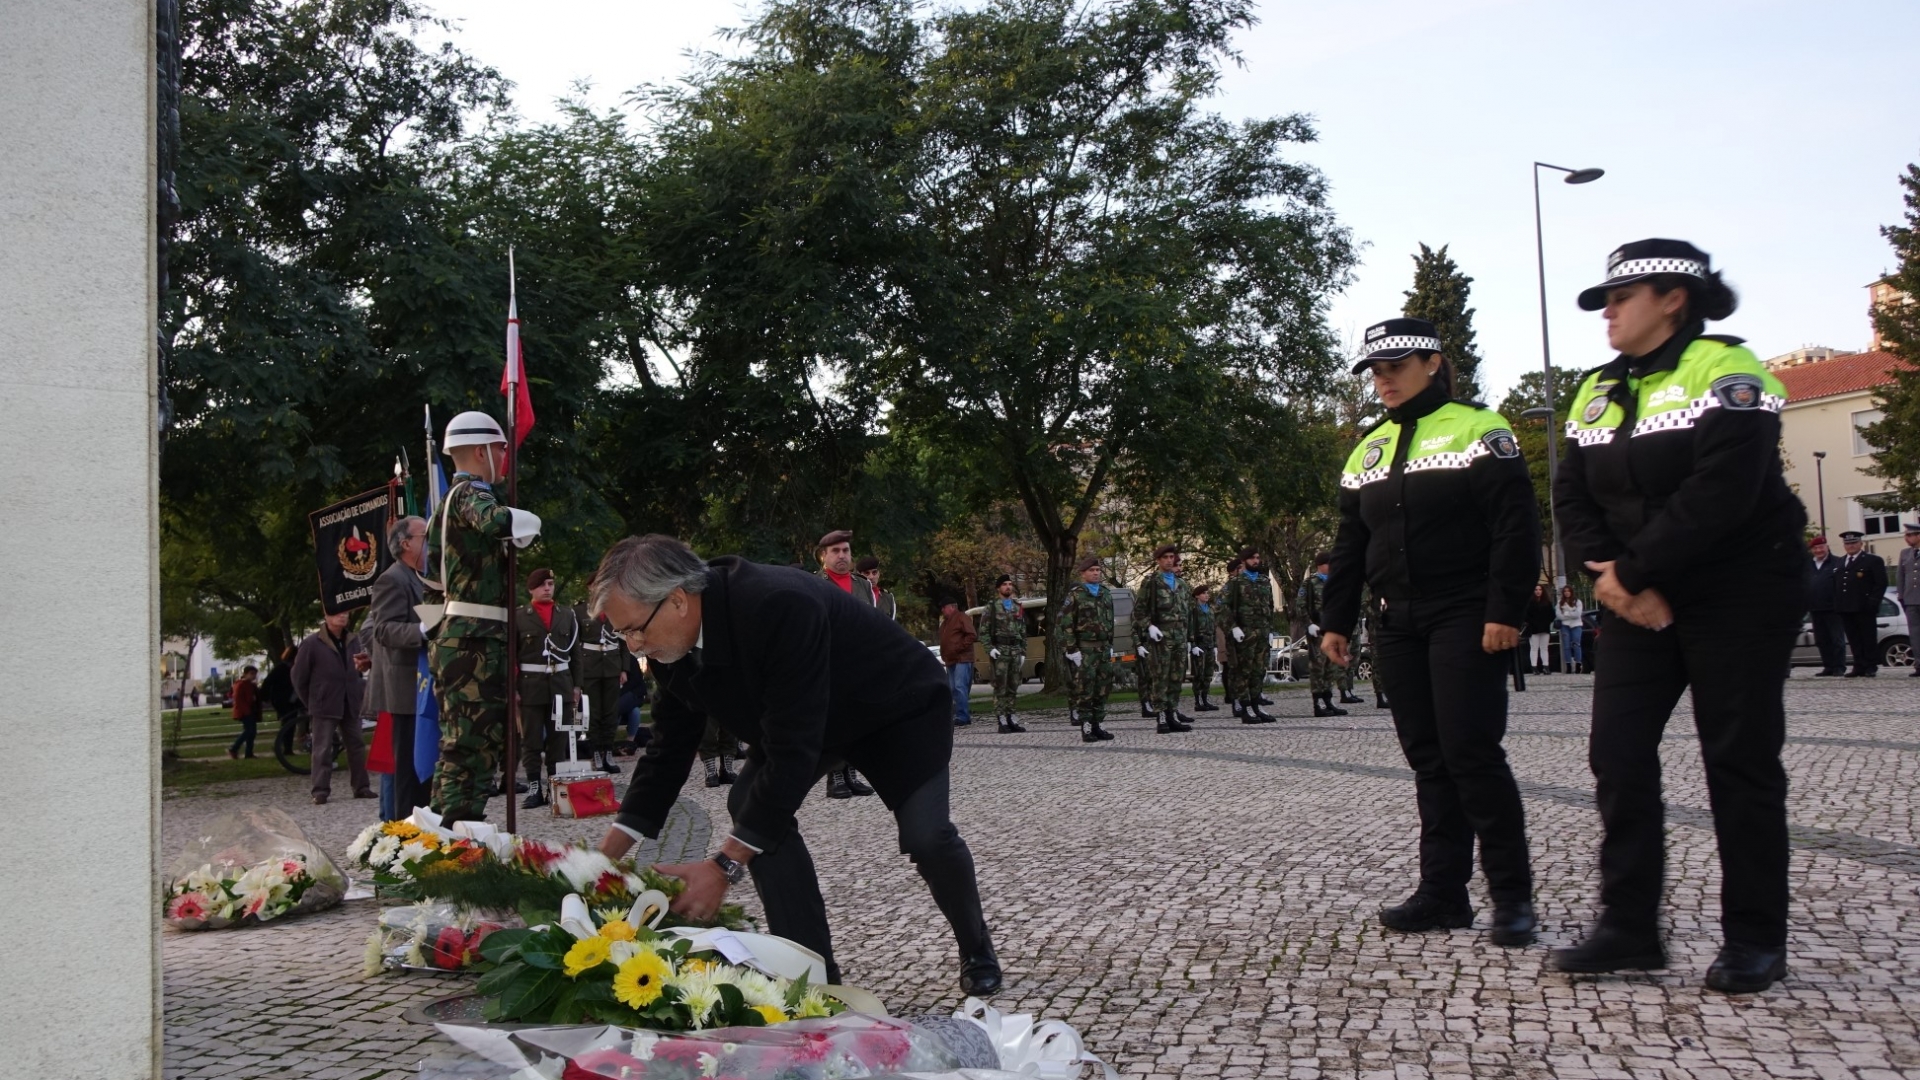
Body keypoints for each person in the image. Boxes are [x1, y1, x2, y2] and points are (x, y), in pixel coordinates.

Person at [1548, 239, 1804, 993]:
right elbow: (1572, 496)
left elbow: (1722, 492)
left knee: (1739, 760)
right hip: (1635, 597)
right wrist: (1611, 576)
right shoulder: (1596, 389)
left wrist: (1633, 569)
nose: (1609, 313)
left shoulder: (1728, 370)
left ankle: (1755, 938)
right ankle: (1629, 928)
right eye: (1604, 301)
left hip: (1741, 589)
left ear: (1673, 299)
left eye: (1622, 298)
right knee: (1618, 756)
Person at [589, 535, 1002, 995]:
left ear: (678, 601)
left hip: (894, 707)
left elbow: (791, 749)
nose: (636, 645)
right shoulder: (670, 646)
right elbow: (667, 749)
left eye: (634, 629)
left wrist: (724, 866)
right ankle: (815, 977)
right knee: (749, 803)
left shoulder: (777, 604)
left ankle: (976, 946)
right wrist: (599, 862)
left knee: (927, 836)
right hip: (811, 717)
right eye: (624, 634)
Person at [1322, 315, 1541, 948]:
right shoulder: (1368, 447)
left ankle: (1512, 898)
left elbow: (1514, 525)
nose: (1384, 380)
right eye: (1375, 371)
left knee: (1471, 752)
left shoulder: (1479, 428)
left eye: (1396, 366)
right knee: (1428, 759)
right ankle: (1443, 893)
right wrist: (1336, 619)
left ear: (1433, 363)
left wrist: (1506, 609)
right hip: (1396, 619)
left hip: (1465, 611)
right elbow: (1350, 541)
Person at [423, 410, 541, 825]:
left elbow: (430, 586)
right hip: (475, 642)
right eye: (500, 449)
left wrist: (440, 634)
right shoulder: (473, 492)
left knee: (466, 743)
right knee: (473, 745)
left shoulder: (442, 508)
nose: (505, 457)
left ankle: (446, 831)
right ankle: (455, 835)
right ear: (480, 451)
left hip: (461, 638)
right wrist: (528, 523)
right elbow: (496, 521)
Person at [364, 515, 429, 817]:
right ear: (406, 543)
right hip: (405, 690)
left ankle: (427, 825)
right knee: (407, 770)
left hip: (425, 687)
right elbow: (383, 629)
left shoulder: (423, 576)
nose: (431, 541)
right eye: (424, 536)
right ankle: (406, 831)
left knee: (424, 769)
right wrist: (424, 631)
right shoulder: (392, 578)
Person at [815, 530, 878, 797]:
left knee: (857, 719)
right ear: (823, 556)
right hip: (829, 662)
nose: (842, 556)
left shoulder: (862, 585)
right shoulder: (814, 583)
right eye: (835, 551)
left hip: (859, 661)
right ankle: (835, 777)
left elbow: (872, 622)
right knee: (834, 721)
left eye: (846, 551)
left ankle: (851, 773)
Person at [291, 609, 375, 805]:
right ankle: (320, 790)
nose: (343, 616)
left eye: (345, 613)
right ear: (327, 617)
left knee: (356, 745)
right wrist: (312, 700)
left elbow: (361, 665)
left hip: (350, 701)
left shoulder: (354, 640)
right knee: (322, 748)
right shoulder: (312, 643)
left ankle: (361, 786)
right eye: (338, 614)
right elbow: (298, 676)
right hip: (324, 703)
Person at [513, 569, 581, 809]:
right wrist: (513, 688)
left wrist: (577, 685)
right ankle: (534, 788)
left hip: (561, 684)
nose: (547, 588)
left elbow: (575, 654)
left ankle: (556, 787)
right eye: (542, 585)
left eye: (551, 584)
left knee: (558, 739)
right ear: (531, 589)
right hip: (531, 686)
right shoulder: (520, 617)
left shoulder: (567, 615)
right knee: (531, 741)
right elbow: (511, 656)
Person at [1134, 544, 1195, 734]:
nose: (1169, 560)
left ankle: (1172, 713)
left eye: (1172, 557)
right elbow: (1139, 610)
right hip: (1160, 638)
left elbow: (1187, 613)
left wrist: (1191, 638)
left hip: (1179, 637)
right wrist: (1149, 626)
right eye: (1166, 557)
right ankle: (1161, 715)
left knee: (1177, 677)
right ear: (1158, 560)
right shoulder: (1151, 582)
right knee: (1160, 677)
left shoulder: (1182, 584)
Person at [1059, 555, 1118, 742]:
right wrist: (1071, 649)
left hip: (1103, 648)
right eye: (1091, 570)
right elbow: (1066, 623)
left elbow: (1110, 620)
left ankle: (1098, 724)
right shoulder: (1075, 595)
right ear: (1083, 573)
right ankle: (1085, 726)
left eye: (1098, 570)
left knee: (1103, 688)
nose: (1095, 573)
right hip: (1085, 650)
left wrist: (1110, 644)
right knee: (1085, 689)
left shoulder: (1105, 593)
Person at [1221, 547, 1278, 723]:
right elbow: (1221, 608)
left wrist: (1269, 630)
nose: (1256, 561)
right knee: (1243, 673)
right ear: (1244, 561)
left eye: (1257, 557)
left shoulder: (1264, 581)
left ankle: (1256, 705)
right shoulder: (1235, 583)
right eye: (1252, 558)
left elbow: (1269, 607)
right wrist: (1233, 627)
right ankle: (1245, 708)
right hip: (1244, 636)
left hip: (1261, 634)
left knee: (1258, 671)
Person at [574, 596, 627, 774]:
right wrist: (578, 672)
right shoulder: (580, 611)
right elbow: (575, 645)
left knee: (611, 712)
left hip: (612, 666)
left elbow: (624, 639)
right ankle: (596, 751)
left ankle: (608, 751)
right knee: (593, 712)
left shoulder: (616, 606)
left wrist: (624, 668)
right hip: (590, 668)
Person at [1297, 554, 1348, 718]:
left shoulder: (1334, 581)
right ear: (1320, 565)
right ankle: (1317, 702)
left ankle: (1328, 700)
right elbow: (1300, 605)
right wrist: (1308, 624)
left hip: (1332, 630)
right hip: (1317, 631)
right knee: (1318, 668)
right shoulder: (1310, 583)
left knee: (1330, 667)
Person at [978, 575, 1028, 733]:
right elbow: (983, 631)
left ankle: (1011, 716)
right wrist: (989, 648)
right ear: (998, 588)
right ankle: (1001, 719)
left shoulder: (1017, 606)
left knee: (1013, 685)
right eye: (1005, 584)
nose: (1008, 587)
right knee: (1000, 686)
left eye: (1010, 584)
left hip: (1014, 650)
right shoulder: (991, 607)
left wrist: (1023, 651)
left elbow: (1022, 630)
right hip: (1000, 650)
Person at [1835, 530, 1889, 678]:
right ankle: (1858, 665)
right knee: (1853, 639)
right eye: (1847, 543)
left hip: (1864, 606)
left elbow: (1881, 583)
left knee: (1868, 637)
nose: (1850, 546)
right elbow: (1838, 584)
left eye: (1853, 543)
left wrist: (1873, 601)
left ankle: (1871, 665)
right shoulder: (1840, 561)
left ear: (1860, 543)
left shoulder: (1872, 560)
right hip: (1846, 607)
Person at [1805, 536, 1846, 676]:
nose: (1818, 550)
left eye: (1821, 547)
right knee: (1821, 640)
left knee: (1836, 639)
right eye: (1815, 548)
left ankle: (1839, 666)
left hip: (1833, 608)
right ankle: (1828, 666)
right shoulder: (1808, 564)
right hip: (1815, 607)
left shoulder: (1837, 562)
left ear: (1827, 547)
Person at [938, 601, 978, 727]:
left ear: (952, 607)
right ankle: (960, 713)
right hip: (950, 660)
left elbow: (972, 635)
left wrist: (959, 647)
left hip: (962, 658)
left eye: (944, 607)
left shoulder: (961, 617)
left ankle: (963, 716)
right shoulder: (945, 623)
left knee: (960, 687)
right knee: (953, 688)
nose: (942, 610)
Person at [1188, 583, 1221, 712]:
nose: (1207, 595)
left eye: (1207, 593)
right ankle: (1198, 701)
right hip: (1199, 645)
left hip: (1209, 645)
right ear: (1197, 596)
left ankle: (1205, 699)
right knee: (1199, 674)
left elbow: (1213, 628)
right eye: (1204, 593)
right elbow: (1190, 627)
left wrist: (1215, 645)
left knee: (1208, 674)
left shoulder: (1210, 609)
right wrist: (1193, 644)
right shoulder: (1194, 610)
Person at [227, 665, 261, 759]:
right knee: (249, 731)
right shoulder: (241, 684)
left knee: (252, 732)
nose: (253, 676)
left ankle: (248, 752)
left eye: (255, 674)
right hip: (245, 711)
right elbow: (238, 699)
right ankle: (234, 748)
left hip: (250, 710)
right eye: (251, 674)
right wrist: (247, 709)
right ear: (245, 674)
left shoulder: (251, 685)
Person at [1900, 522, 1920, 676]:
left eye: (1909, 535)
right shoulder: (1905, 553)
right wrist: (1901, 595)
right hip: (1911, 599)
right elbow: (1900, 575)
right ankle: (1919, 664)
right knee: (1915, 634)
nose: (1906, 538)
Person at [1524, 584, 1555, 675]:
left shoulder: (1547, 602)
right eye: (1536, 589)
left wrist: (1546, 622)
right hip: (1533, 629)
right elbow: (1526, 616)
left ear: (1542, 591)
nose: (1538, 591)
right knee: (1534, 648)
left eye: (1540, 589)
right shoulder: (1529, 603)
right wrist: (1532, 622)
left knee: (1544, 648)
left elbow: (1552, 615)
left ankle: (1546, 666)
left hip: (1544, 628)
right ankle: (1534, 667)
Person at [857, 556, 899, 620]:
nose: (871, 577)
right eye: (867, 573)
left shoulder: (888, 597)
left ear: (878, 574)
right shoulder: (854, 594)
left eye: (874, 573)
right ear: (859, 575)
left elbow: (891, 623)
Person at [1556, 585, 1586, 675]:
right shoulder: (1559, 603)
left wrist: (1566, 613)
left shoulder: (1577, 602)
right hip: (1565, 626)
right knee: (1566, 646)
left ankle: (1578, 664)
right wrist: (1570, 614)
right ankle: (1568, 665)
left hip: (1576, 625)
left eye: (1568, 591)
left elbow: (1577, 614)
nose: (1567, 593)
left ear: (1571, 592)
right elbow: (1559, 616)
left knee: (1576, 644)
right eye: (1565, 591)